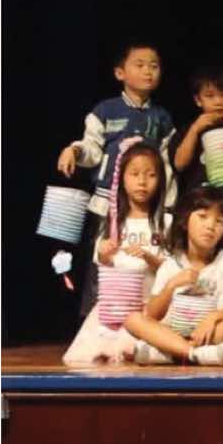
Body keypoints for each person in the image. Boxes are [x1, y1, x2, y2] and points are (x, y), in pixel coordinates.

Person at [55, 41, 174, 316]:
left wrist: (167, 204)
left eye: (154, 66)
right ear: (120, 73)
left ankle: (142, 316)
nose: (148, 71)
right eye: (140, 65)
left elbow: (165, 164)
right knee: (103, 259)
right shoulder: (105, 111)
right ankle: (94, 318)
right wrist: (74, 150)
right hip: (107, 203)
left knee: (145, 258)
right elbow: (92, 150)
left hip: (145, 207)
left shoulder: (162, 117)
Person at [63, 140, 172, 366]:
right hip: (114, 308)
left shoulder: (166, 222)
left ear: (161, 180)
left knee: (138, 354)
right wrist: (104, 252)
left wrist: (150, 258)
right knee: (95, 358)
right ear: (121, 178)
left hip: (151, 308)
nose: (142, 182)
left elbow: (174, 270)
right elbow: (102, 263)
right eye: (134, 174)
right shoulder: (112, 222)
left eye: (151, 175)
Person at [128, 188, 223, 366]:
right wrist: (171, 286)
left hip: (211, 333)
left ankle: (171, 353)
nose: (210, 226)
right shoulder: (171, 264)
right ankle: (193, 353)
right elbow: (152, 314)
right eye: (202, 216)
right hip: (172, 333)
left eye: (219, 221)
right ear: (185, 222)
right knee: (133, 319)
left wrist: (214, 317)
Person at [171, 66, 223, 198]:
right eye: (210, 96)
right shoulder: (189, 128)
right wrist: (195, 129)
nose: (218, 102)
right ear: (198, 100)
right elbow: (179, 164)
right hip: (198, 196)